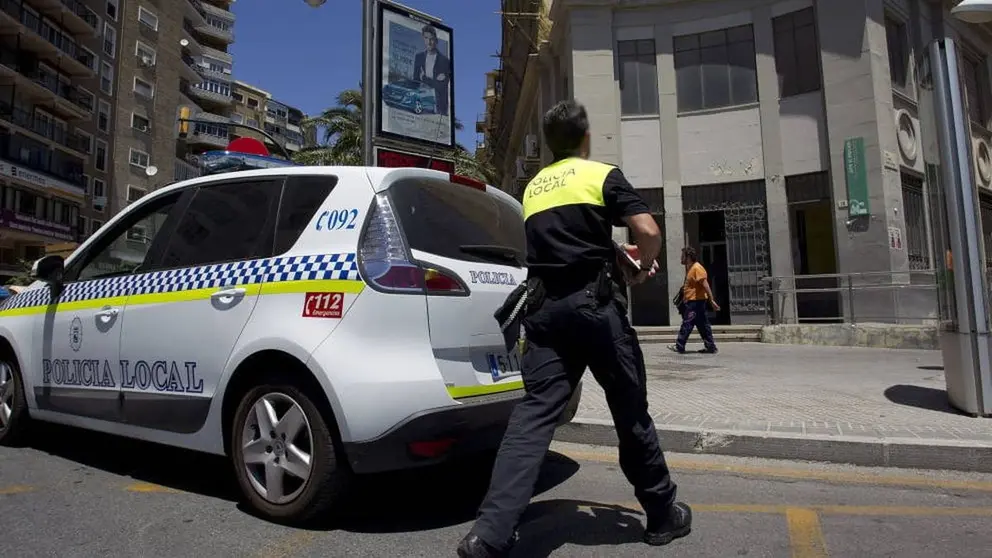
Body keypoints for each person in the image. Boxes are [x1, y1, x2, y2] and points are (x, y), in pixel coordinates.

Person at [457, 100, 692, 558]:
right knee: (630, 412)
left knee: (532, 419)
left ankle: (489, 535)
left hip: (545, 314)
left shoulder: (534, 189)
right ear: (585, 138)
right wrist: (641, 265)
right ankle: (662, 514)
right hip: (595, 308)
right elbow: (648, 231)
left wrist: (611, 253)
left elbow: (563, 244)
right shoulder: (600, 175)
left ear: (548, 144)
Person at [670, 246, 720, 354]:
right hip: (694, 302)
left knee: (687, 323)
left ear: (688, 257)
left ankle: (679, 346)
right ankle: (710, 346)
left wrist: (712, 300)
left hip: (695, 303)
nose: (681, 258)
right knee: (703, 325)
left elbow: (705, 285)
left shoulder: (697, 268)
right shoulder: (691, 268)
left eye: (682, 256)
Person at [412, 24, 450, 115]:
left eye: (431, 39)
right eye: (426, 38)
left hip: (439, 108)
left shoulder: (444, 61)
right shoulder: (419, 57)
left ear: (436, 40)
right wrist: (434, 81)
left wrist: (424, 78)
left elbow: (441, 87)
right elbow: (415, 82)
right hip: (421, 104)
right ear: (423, 38)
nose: (429, 42)